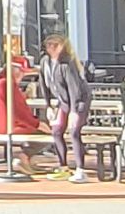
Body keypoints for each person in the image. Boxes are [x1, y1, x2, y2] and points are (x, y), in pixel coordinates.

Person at [38, 29, 90, 178]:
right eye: (48, 45)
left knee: (74, 132)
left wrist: (74, 111)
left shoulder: (67, 64)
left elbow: (74, 89)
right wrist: (48, 105)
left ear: (61, 47)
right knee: (56, 131)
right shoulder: (45, 62)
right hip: (62, 101)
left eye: (54, 45)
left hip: (78, 100)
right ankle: (63, 166)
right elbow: (43, 84)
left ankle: (81, 170)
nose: (50, 48)